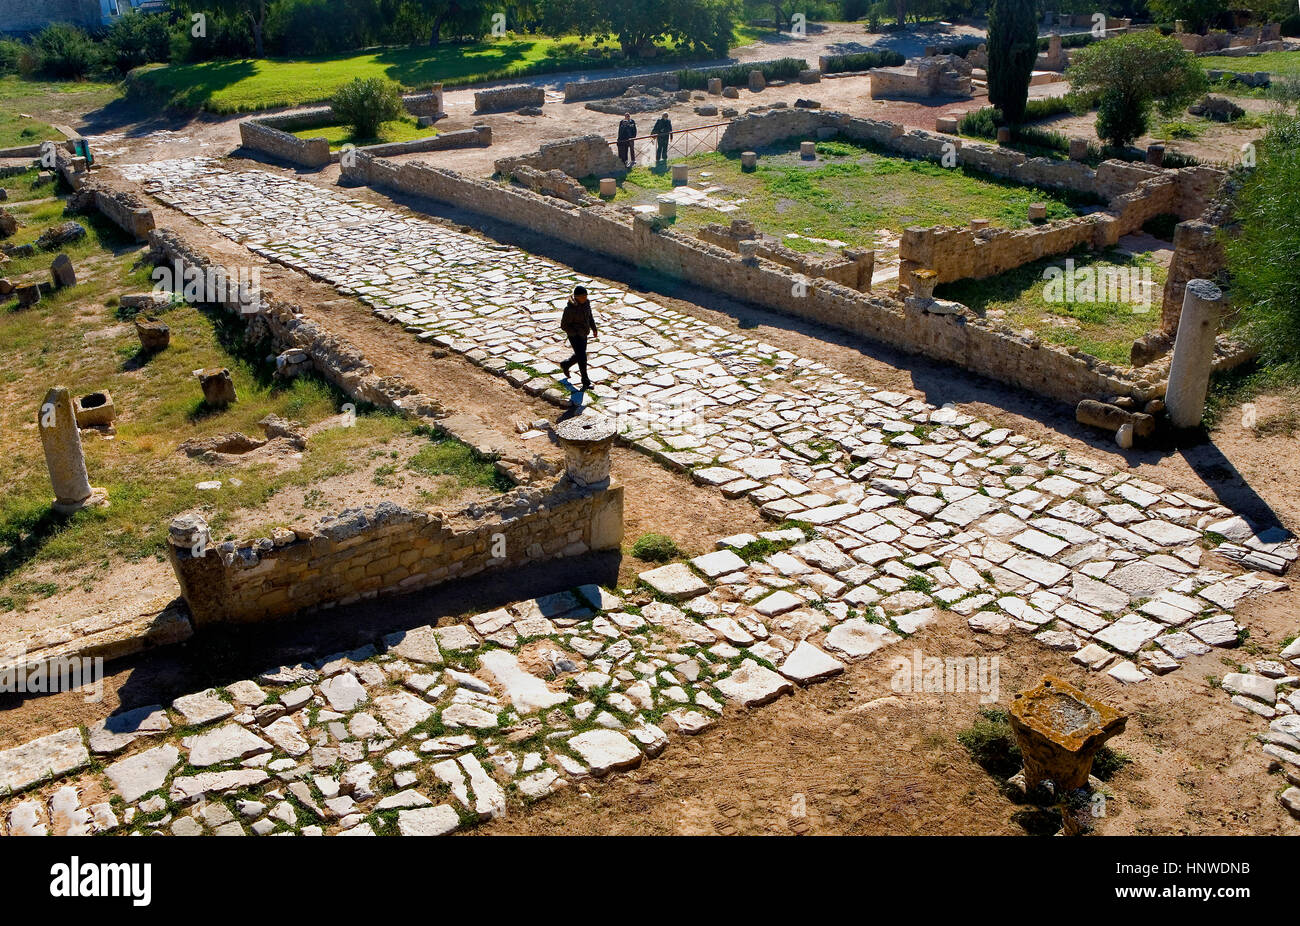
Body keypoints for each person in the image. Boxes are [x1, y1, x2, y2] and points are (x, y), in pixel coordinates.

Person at [559, 285, 598, 390]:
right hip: (574, 336)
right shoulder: (569, 309)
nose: (585, 298)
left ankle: (566, 364)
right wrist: (575, 332)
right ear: (576, 297)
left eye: (586, 296)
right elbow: (564, 325)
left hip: (584, 334)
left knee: (580, 355)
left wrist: (594, 328)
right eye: (583, 297)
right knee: (582, 357)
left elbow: (590, 316)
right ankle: (585, 381)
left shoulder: (586, 303)